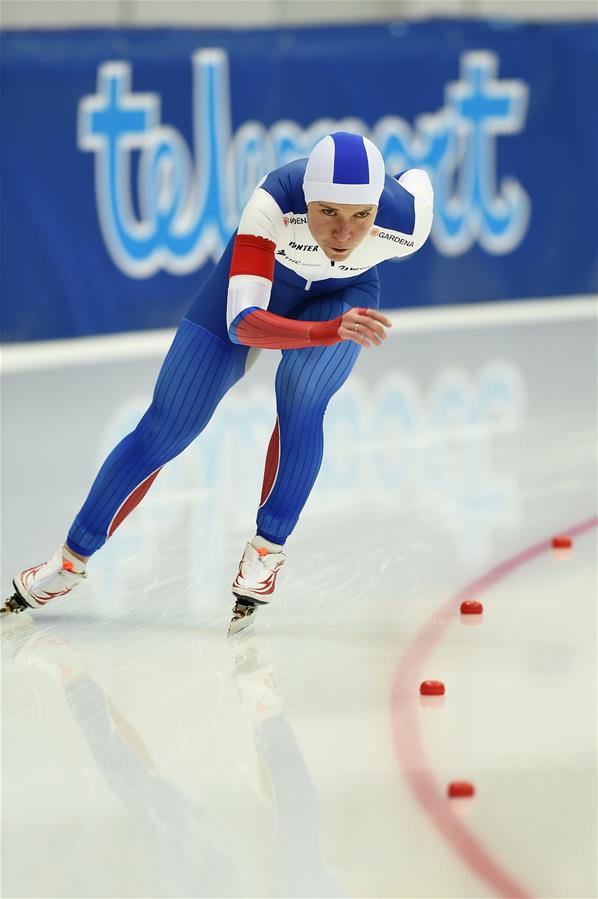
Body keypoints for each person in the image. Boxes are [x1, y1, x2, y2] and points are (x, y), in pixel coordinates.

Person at [2, 132, 433, 632]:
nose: (343, 233)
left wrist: (329, 327)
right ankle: (69, 562)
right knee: (168, 425)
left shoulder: (407, 222)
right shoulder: (273, 200)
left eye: (361, 215)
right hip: (258, 292)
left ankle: (268, 551)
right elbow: (243, 323)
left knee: (303, 393)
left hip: (343, 296)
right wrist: (324, 332)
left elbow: (418, 180)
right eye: (328, 212)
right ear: (306, 200)